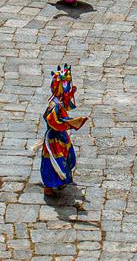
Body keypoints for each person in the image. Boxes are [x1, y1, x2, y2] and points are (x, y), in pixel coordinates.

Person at [40, 64, 88, 197]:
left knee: (66, 158)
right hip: (53, 139)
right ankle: (49, 186)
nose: (67, 85)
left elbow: (66, 107)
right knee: (52, 162)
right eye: (65, 83)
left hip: (61, 137)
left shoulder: (60, 101)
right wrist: (70, 124)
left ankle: (61, 180)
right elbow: (52, 121)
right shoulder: (53, 105)